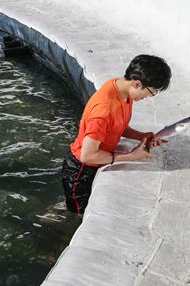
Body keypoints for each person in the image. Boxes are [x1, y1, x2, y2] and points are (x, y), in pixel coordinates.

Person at [61, 54, 172, 215]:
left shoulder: (121, 90)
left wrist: (141, 136)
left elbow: (117, 125)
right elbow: (87, 155)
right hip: (80, 173)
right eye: (151, 93)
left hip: (89, 165)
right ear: (137, 83)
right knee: (79, 215)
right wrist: (131, 156)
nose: (148, 97)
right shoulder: (104, 110)